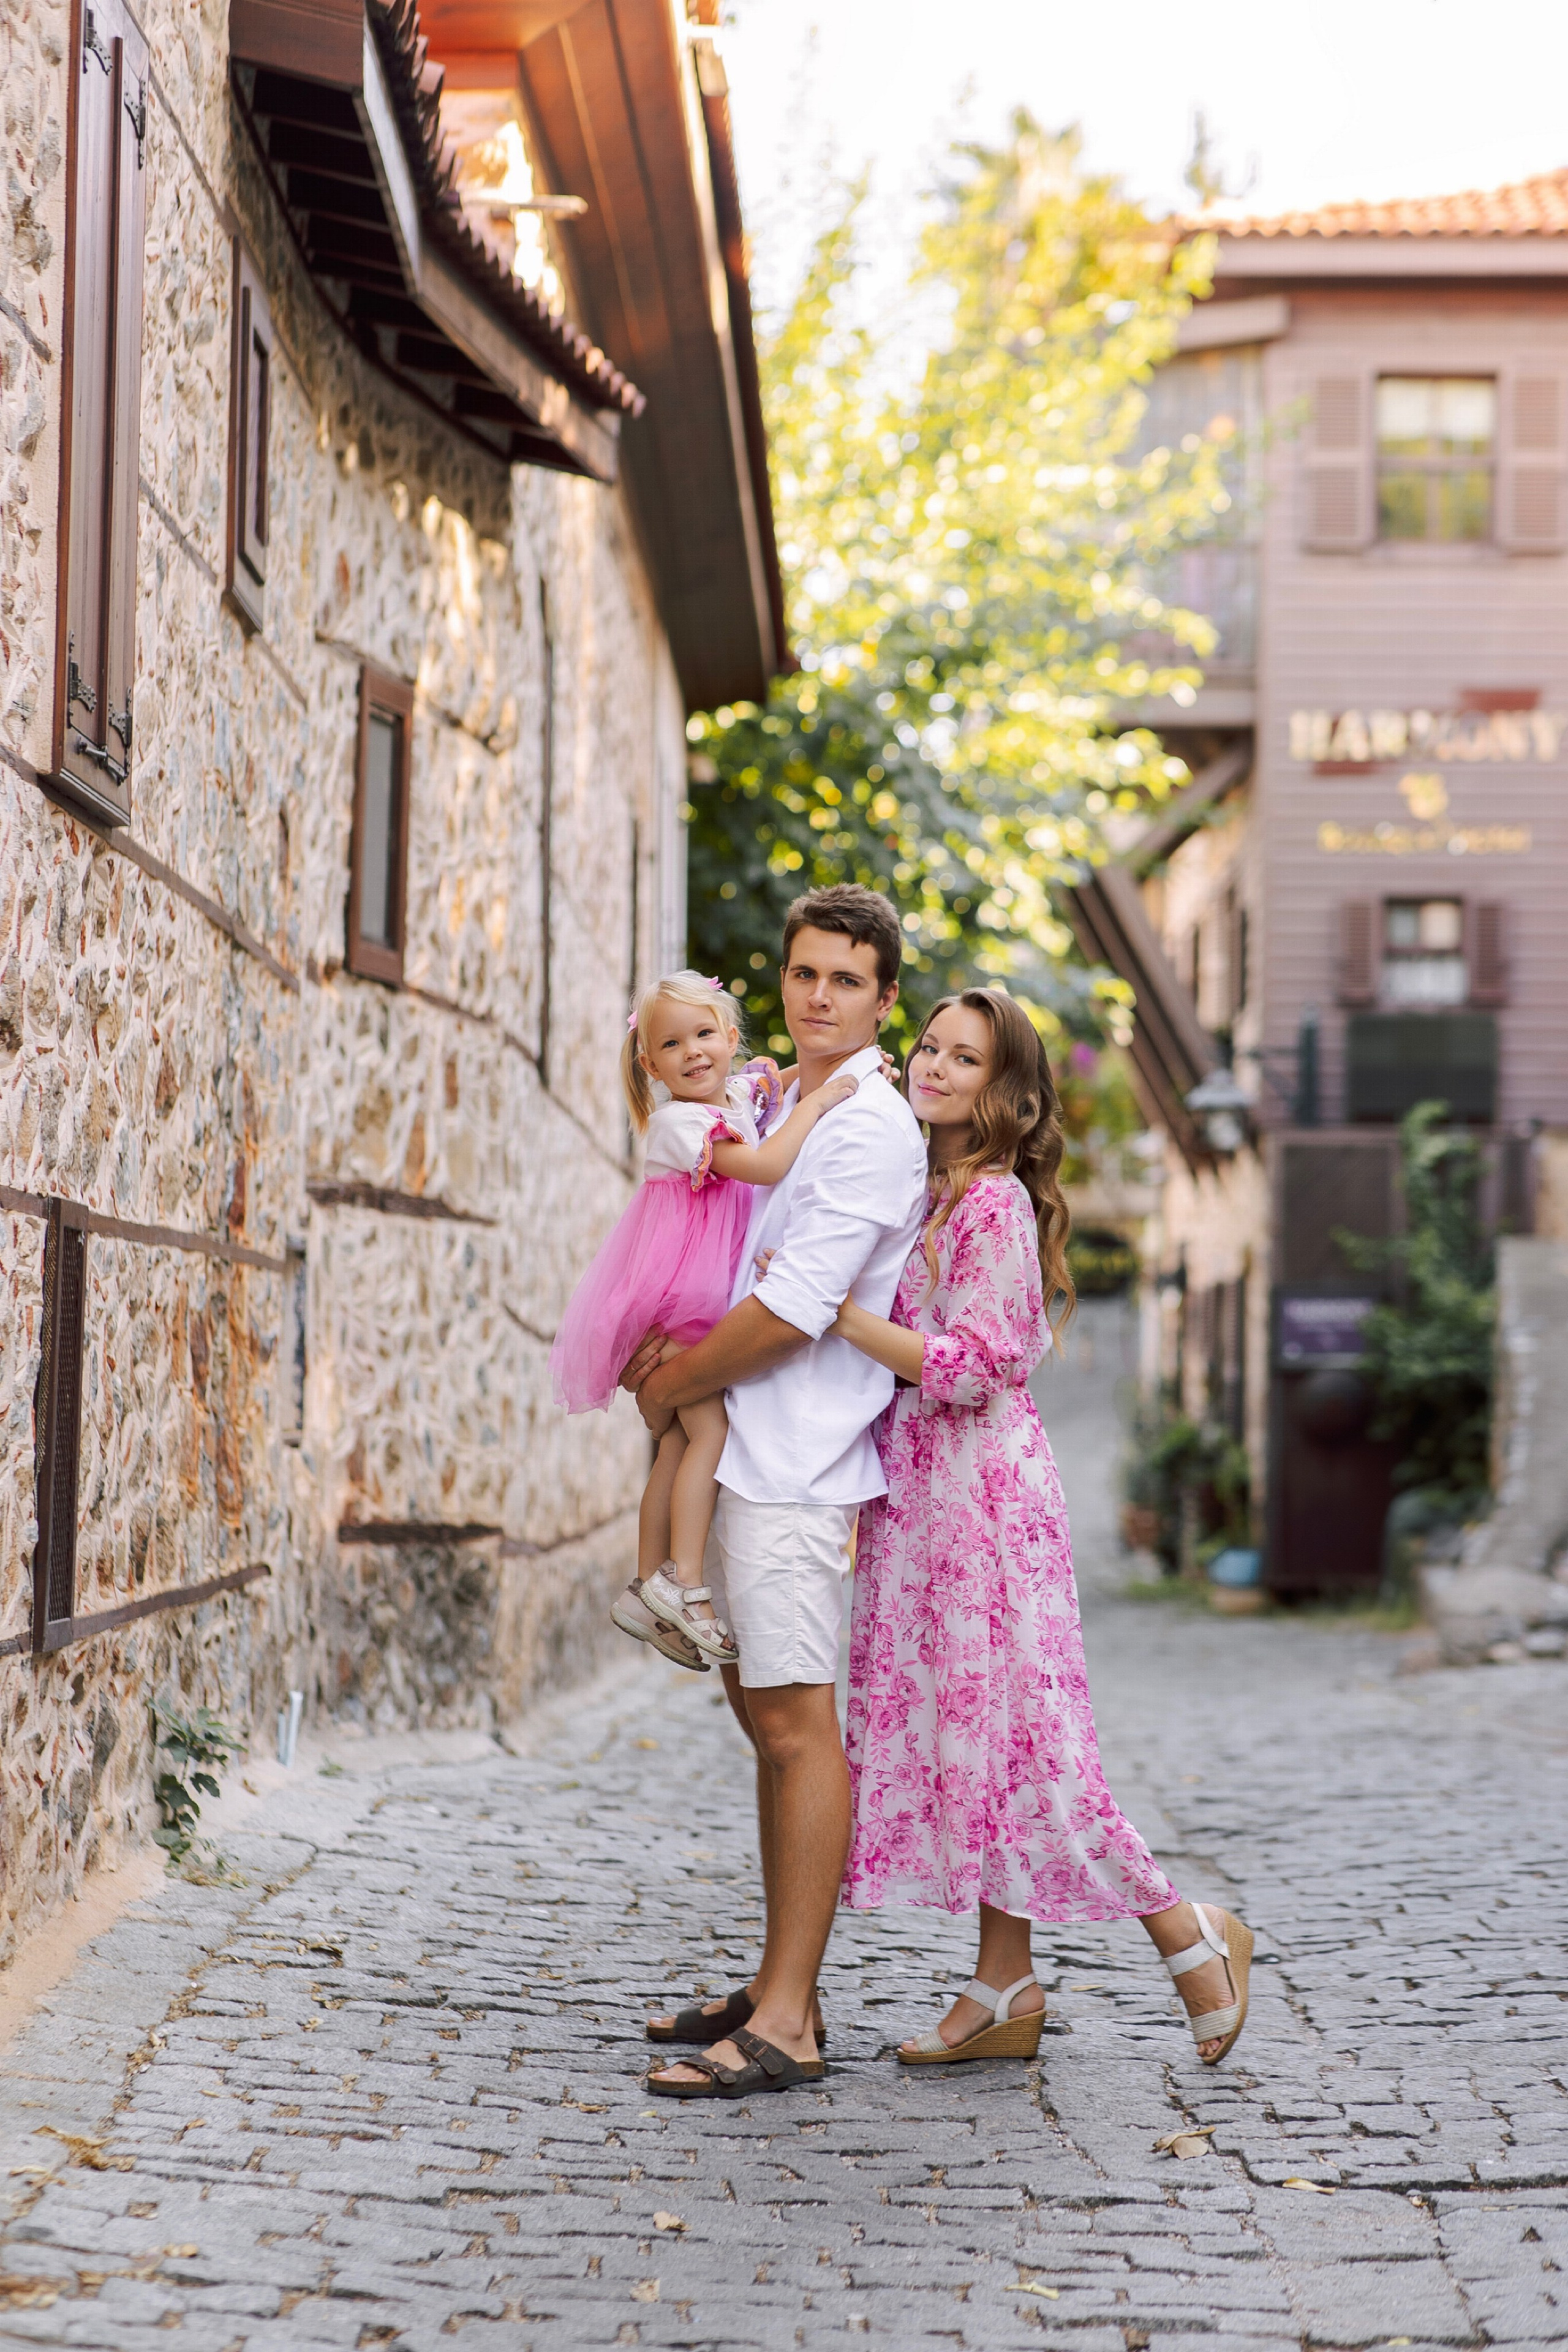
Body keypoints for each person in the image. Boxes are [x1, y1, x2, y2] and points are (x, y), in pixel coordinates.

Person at [832, 988, 1254, 2068]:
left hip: (984, 1508)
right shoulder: (927, 1193)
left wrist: (843, 1318)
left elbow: (982, 1366)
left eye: (963, 1058)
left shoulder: (993, 1207)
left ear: (1005, 1091)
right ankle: (1005, 1983)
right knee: (976, 1747)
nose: (931, 1065)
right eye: (927, 1046)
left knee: (1034, 1745)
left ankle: (1186, 1927)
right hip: (920, 1506)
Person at [624, 886, 928, 2101]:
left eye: (844, 980)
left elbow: (799, 1308)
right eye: (803, 974)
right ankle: (770, 1979)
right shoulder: (779, 1099)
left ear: (882, 998)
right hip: (741, 1448)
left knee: (799, 1730)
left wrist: (668, 1389)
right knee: (764, 1730)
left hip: (797, 1466)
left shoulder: (867, 1127)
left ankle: (791, 2021)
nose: (816, 996)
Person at [550, 970, 858, 1667]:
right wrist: (824, 1100)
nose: (692, 1053)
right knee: (710, 1434)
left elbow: (766, 1086)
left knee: (679, 1445)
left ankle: (645, 1580)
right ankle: (683, 1584)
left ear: (728, 1037)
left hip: (693, 1286)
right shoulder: (681, 1122)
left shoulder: (731, 1095)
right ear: (649, 1064)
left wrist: (815, 1071)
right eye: (671, 1044)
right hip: (683, 1291)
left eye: (704, 1035)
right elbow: (766, 1163)